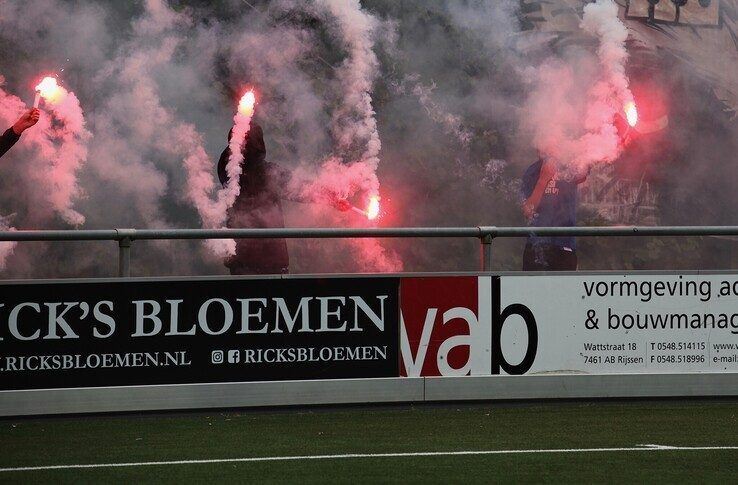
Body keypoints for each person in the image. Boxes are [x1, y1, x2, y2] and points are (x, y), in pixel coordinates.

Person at [217, 123, 349, 275]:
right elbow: (301, 188)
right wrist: (332, 198)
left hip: (257, 258)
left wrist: (332, 198)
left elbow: (300, 188)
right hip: (261, 257)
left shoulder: (239, 171)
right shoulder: (240, 171)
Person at [521, 157, 588, 271]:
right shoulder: (532, 172)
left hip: (564, 244)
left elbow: (583, 173)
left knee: (564, 288)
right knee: (533, 288)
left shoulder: (569, 166)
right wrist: (543, 179)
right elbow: (527, 211)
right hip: (536, 245)